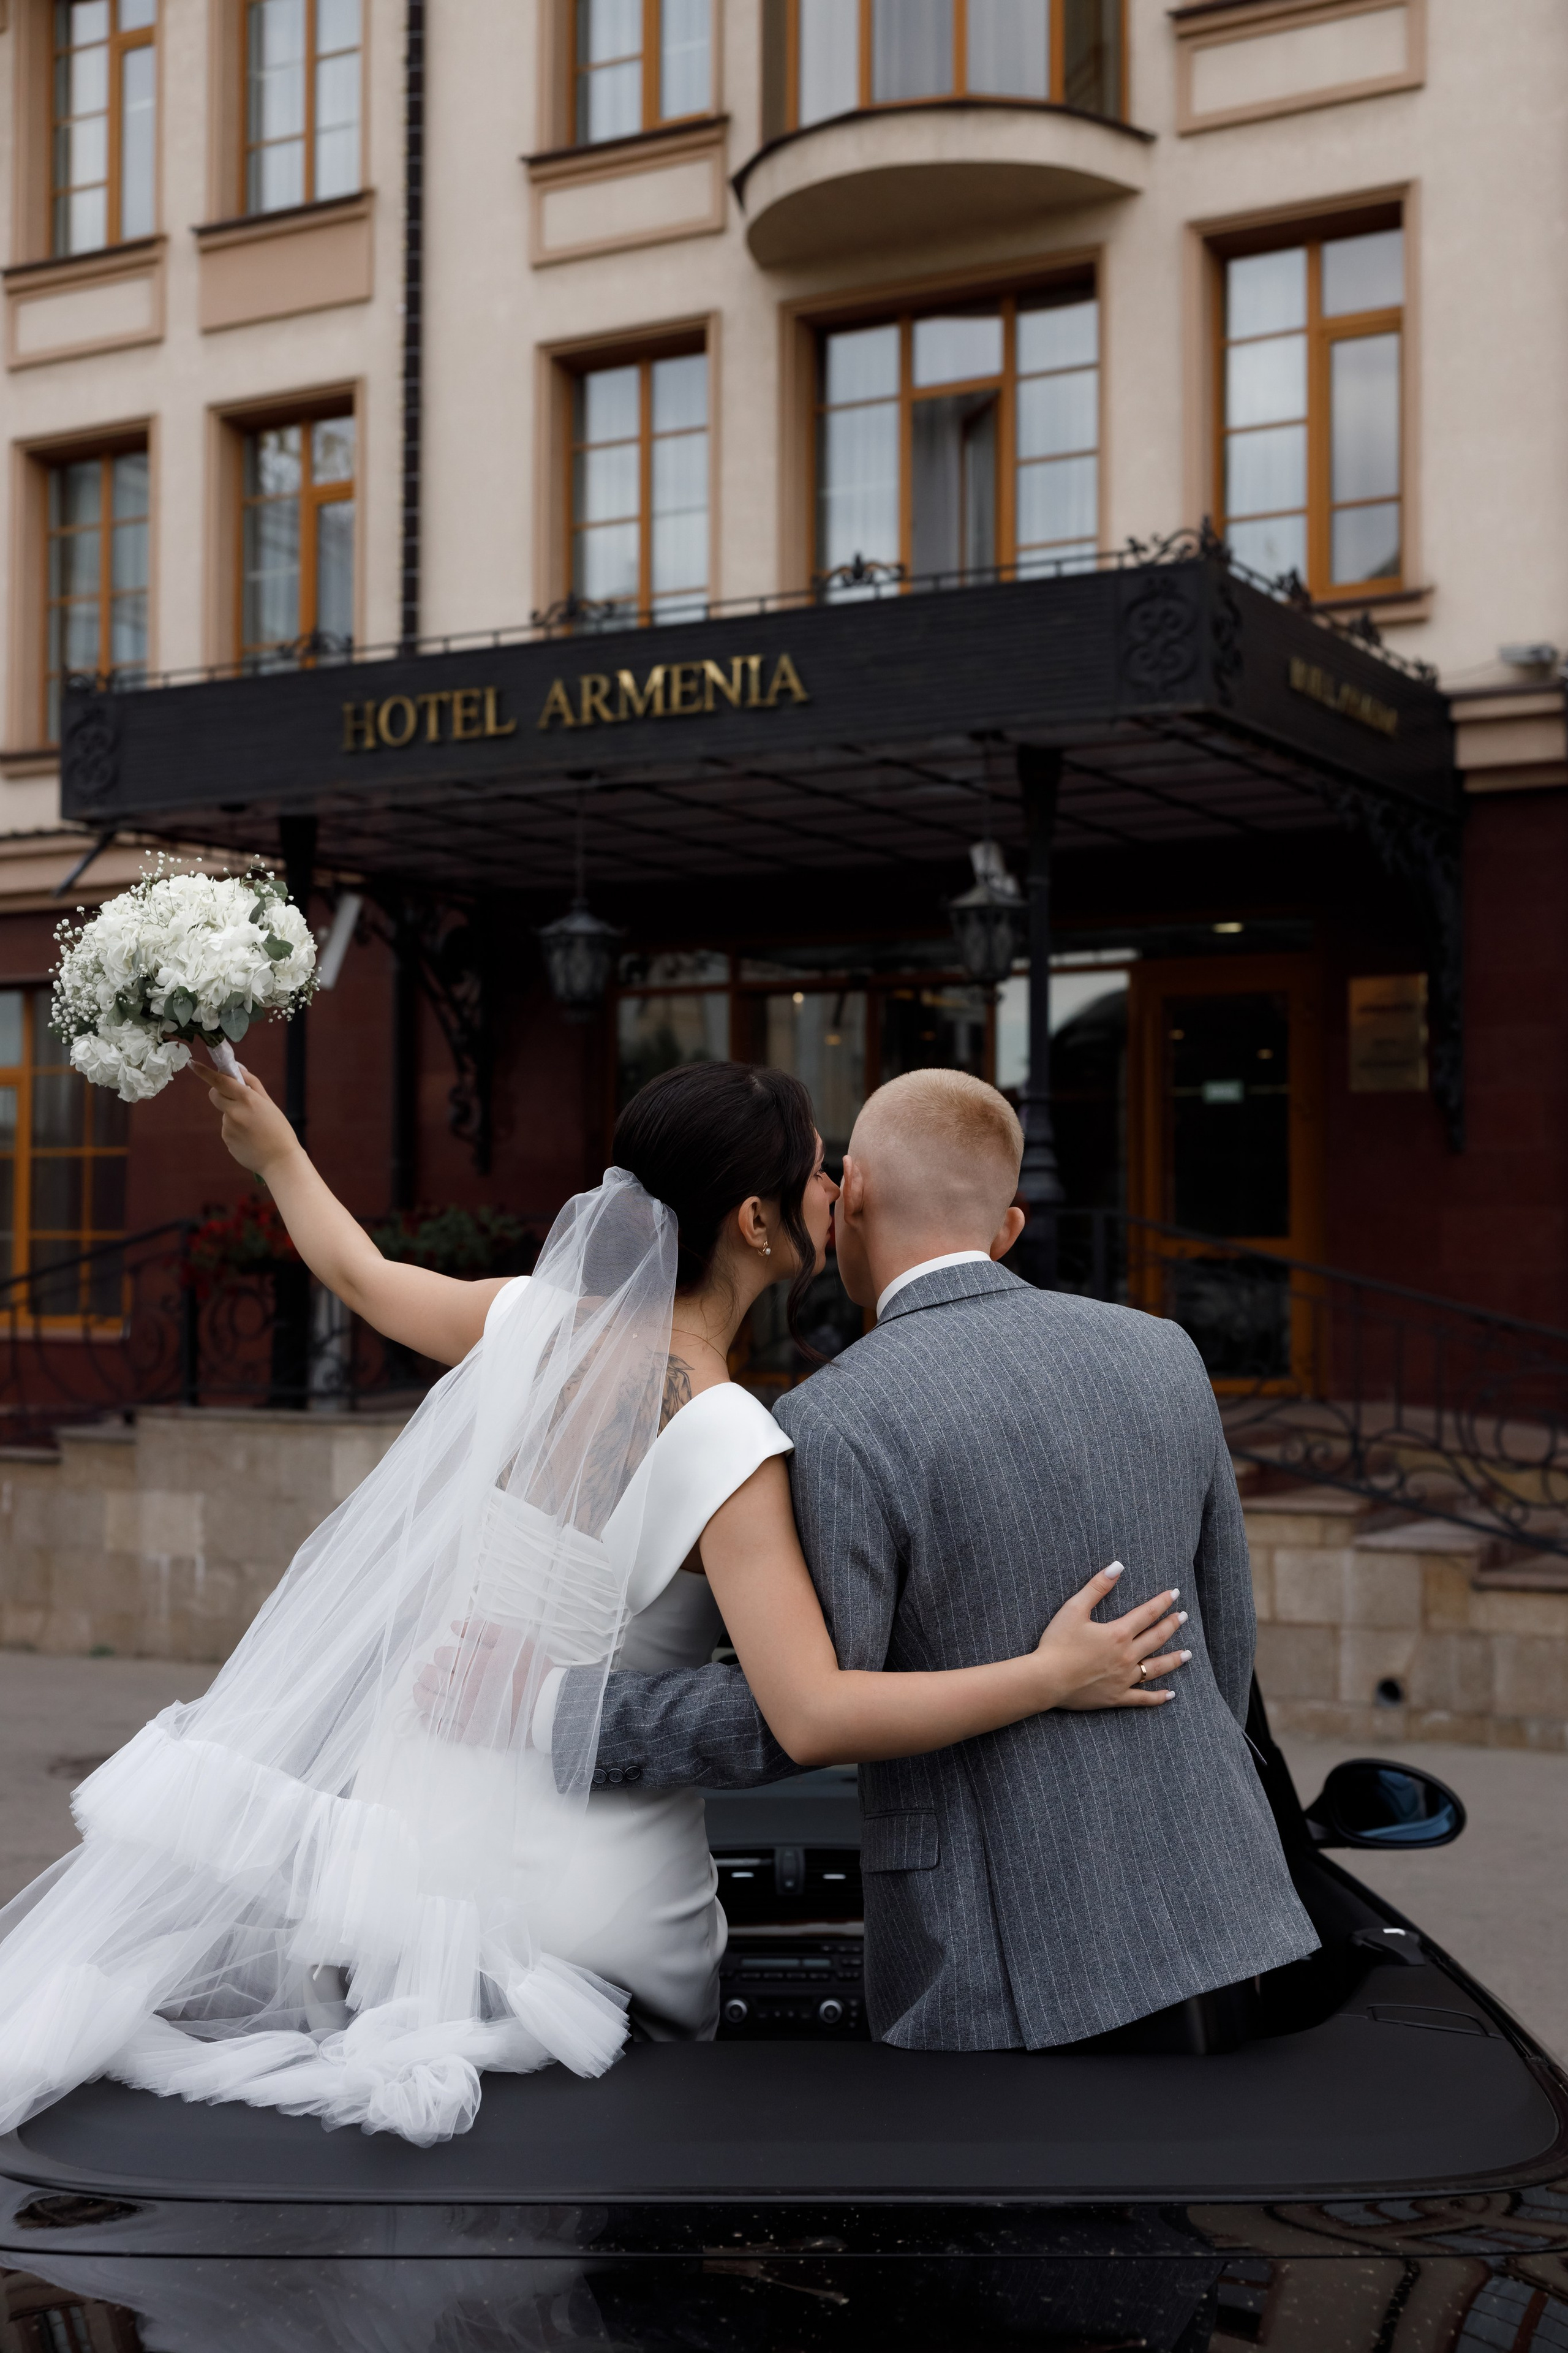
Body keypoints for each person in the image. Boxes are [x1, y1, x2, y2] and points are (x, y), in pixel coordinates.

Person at [0, 1060, 1191, 2146]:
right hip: (588, 1913)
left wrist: (277, 1152)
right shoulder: (727, 1438)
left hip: (402, 1861)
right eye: (822, 1170)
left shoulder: (534, 1323)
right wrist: (1049, 1676)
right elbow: (813, 1712)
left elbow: (361, 1274)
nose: (842, 1191)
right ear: (757, 1220)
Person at [560, 1068, 1321, 2053]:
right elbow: (1226, 1636)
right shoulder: (1165, 1351)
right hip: (1217, 1911)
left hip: (997, 1947)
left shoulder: (837, 1416)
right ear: (1008, 1227)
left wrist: (564, 1720)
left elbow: (803, 1713)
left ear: (856, 1194)